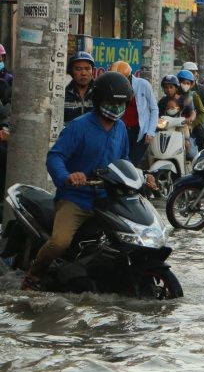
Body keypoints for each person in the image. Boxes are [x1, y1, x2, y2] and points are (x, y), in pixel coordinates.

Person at [22, 72, 153, 290]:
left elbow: (124, 160)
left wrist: (142, 176)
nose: (118, 108)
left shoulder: (120, 128)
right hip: (76, 199)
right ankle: (33, 276)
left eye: (122, 103)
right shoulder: (78, 127)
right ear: (99, 100)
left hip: (108, 199)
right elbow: (55, 157)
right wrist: (68, 176)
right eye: (113, 102)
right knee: (60, 242)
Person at [110, 61, 158, 167]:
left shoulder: (143, 84)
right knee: (121, 162)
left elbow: (154, 109)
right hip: (122, 130)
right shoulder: (114, 87)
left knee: (133, 163)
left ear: (129, 76)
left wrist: (150, 131)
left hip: (141, 131)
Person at [178, 69, 204, 151]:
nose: (185, 85)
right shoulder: (173, 95)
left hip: (193, 129)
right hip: (176, 127)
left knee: (194, 152)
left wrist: (192, 124)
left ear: (191, 85)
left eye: (188, 83)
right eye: (183, 83)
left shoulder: (193, 96)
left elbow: (203, 113)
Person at [63, 51, 96, 125]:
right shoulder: (63, 94)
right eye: (78, 69)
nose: (83, 73)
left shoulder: (99, 91)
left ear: (92, 71)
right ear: (71, 72)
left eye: (87, 69)